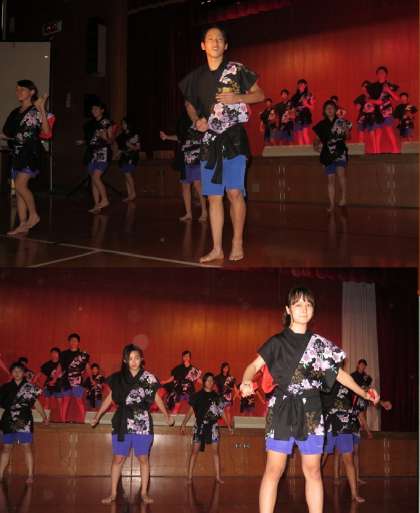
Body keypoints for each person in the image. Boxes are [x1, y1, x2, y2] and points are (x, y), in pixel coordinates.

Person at [240, 286, 379, 513]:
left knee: (313, 471)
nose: (304, 309)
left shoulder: (320, 344)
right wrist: (246, 381)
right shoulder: (277, 342)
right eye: (298, 304)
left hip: (312, 409)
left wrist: (364, 393)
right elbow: (253, 366)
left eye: (308, 304)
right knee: (274, 469)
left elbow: (340, 375)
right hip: (282, 408)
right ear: (288, 309)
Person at [179, 25, 264, 263]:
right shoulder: (195, 77)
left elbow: (260, 95)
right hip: (210, 141)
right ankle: (217, 248)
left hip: (234, 138)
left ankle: (237, 242)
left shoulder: (236, 70)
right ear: (203, 45)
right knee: (214, 196)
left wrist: (238, 97)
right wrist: (197, 120)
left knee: (234, 192)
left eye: (219, 39)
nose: (215, 42)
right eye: (210, 39)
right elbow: (189, 104)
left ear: (225, 45)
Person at [91, 344, 174, 504]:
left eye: (136, 358)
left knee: (143, 459)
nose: (134, 361)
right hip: (122, 422)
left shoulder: (148, 378)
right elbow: (110, 398)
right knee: (118, 459)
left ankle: (144, 493)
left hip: (142, 422)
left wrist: (167, 415)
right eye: (130, 358)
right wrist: (97, 416)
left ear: (141, 359)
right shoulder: (118, 378)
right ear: (125, 360)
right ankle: (113, 493)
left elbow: (156, 398)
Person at [1, 80, 51, 236]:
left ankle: (34, 215)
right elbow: (7, 134)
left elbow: (47, 133)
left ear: (32, 92)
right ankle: (23, 224)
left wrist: (41, 108)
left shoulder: (36, 111)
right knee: (19, 191)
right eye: (17, 89)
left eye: (22, 89)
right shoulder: (14, 113)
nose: (18, 92)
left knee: (20, 185)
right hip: (16, 154)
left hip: (31, 154)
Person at [0, 362, 49, 483]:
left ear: (23, 373)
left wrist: (44, 417)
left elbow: (36, 403)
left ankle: (30, 475)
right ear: (11, 373)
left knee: (26, 447)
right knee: (6, 448)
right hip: (8, 420)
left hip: (24, 420)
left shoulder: (29, 387)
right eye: (14, 371)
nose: (17, 373)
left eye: (19, 371)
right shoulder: (5, 387)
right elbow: (1, 406)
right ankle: (0, 474)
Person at [181, 372, 233, 483]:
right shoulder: (197, 395)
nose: (210, 382)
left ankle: (218, 477)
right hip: (200, 426)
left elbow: (222, 412)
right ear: (204, 381)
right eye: (208, 380)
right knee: (194, 452)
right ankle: (189, 477)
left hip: (213, 426)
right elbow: (190, 411)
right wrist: (183, 424)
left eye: (212, 380)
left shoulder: (216, 396)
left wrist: (229, 426)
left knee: (216, 452)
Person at [321, 379, 365, 503]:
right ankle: (314, 488)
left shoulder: (348, 382)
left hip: (345, 424)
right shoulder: (325, 381)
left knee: (348, 460)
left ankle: (354, 494)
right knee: (322, 458)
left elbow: (361, 394)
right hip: (329, 424)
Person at [160, 111, 208, 222]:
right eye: (186, 106)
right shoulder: (184, 120)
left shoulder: (201, 118)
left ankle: (204, 212)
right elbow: (180, 137)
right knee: (185, 185)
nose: (187, 107)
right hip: (184, 157)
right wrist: (167, 137)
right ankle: (188, 213)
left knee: (197, 184)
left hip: (197, 157)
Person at [313, 100, 352, 212]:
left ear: (335, 110)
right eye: (327, 108)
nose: (329, 110)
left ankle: (343, 198)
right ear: (324, 111)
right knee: (330, 179)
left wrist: (346, 129)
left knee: (341, 175)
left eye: (331, 108)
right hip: (327, 153)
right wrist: (315, 145)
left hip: (340, 151)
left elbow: (348, 137)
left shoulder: (341, 121)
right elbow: (317, 139)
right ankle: (331, 204)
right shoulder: (321, 124)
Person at [83, 100, 113, 213]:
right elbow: (91, 140)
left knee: (96, 177)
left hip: (103, 152)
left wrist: (104, 137)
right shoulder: (92, 124)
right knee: (93, 179)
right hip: (92, 153)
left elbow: (110, 140)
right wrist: (83, 141)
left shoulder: (106, 122)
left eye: (96, 109)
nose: (93, 111)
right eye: (92, 109)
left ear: (102, 110)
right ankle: (97, 205)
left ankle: (104, 199)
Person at [367, 66, 400, 153]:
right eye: (379, 72)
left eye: (383, 72)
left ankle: (396, 150)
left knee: (389, 129)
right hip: (377, 111)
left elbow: (397, 99)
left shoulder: (389, 85)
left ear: (386, 74)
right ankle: (377, 152)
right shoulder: (372, 86)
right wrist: (375, 101)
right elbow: (367, 100)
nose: (381, 74)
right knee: (378, 131)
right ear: (377, 74)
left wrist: (388, 90)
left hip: (387, 111)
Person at [59, 333, 90, 422]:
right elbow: (59, 367)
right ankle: (63, 421)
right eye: (71, 340)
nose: (73, 342)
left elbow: (87, 367)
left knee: (79, 400)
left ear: (78, 342)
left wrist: (91, 378)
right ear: (69, 342)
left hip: (77, 380)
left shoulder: (82, 354)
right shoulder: (64, 354)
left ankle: (83, 421)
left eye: (75, 341)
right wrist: (55, 378)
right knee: (65, 400)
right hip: (65, 380)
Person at [115, 117, 140, 202]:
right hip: (124, 157)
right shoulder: (121, 136)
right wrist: (117, 154)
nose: (123, 125)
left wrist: (130, 146)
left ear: (129, 124)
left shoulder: (134, 134)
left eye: (124, 123)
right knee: (126, 175)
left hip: (132, 157)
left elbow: (137, 148)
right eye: (122, 123)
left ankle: (133, 193)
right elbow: (121, 148)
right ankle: (130, 194)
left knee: (127, 173)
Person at [291, 79, 315, 145]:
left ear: (306, 85)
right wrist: (294, 111)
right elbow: (292, 108)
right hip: (297, 116)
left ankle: (308, 150)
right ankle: (301, 150)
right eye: (299, 84)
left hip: (305, 116)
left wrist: (306, 105)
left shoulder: (309, 95)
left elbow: (312, 108)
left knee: (305, 134)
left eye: (303, 84)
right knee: (299, 135)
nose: (301, 85)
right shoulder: (294, 97)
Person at [214, 362, 238, 427]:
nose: (226, 369)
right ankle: (220, 424)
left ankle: (229, 425)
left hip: (228, 396)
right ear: (222, 368)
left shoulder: (230, 378)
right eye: (225, 368)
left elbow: (235, 388)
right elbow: (214, 386)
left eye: (227, 368)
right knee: (220, 411)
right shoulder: (218, 377)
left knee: (228, 410)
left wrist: (236, 396)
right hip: (220, 396)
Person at [353, 80, 376, 147]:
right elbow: (357, 108)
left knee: (372, 134)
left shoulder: (374, 97)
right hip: (362, 117)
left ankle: (375, 150)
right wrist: (359, 105)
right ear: (362, 88)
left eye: (368, 86)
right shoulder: (360, 97)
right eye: (364, 87)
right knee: (361, 134)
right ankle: (360, 150)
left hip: (371, 117)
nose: (366, 88)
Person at [40, 347, 62, 412]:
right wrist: (37, 382)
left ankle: (61, 416)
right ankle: (45, 416)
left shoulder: (62, 363)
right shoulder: (47, 364)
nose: (54, 355)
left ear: (59, 354)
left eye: (55, 353)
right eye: (52, 353)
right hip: (49, 385)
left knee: (60, 401)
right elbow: (40, 373)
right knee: (46, 401)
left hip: (59, 385)